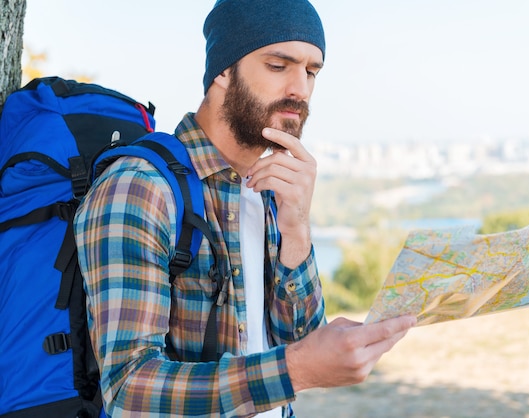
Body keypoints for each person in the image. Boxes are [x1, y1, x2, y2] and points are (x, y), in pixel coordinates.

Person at [74, 0, 416, 416]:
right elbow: (129, 391)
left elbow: (299, 340)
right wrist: (297, 369)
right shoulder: (141, 187)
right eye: (278, 65)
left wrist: (298, 231)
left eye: (311, 71)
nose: (300, 89)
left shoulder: (272, 187)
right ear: (222, 69)